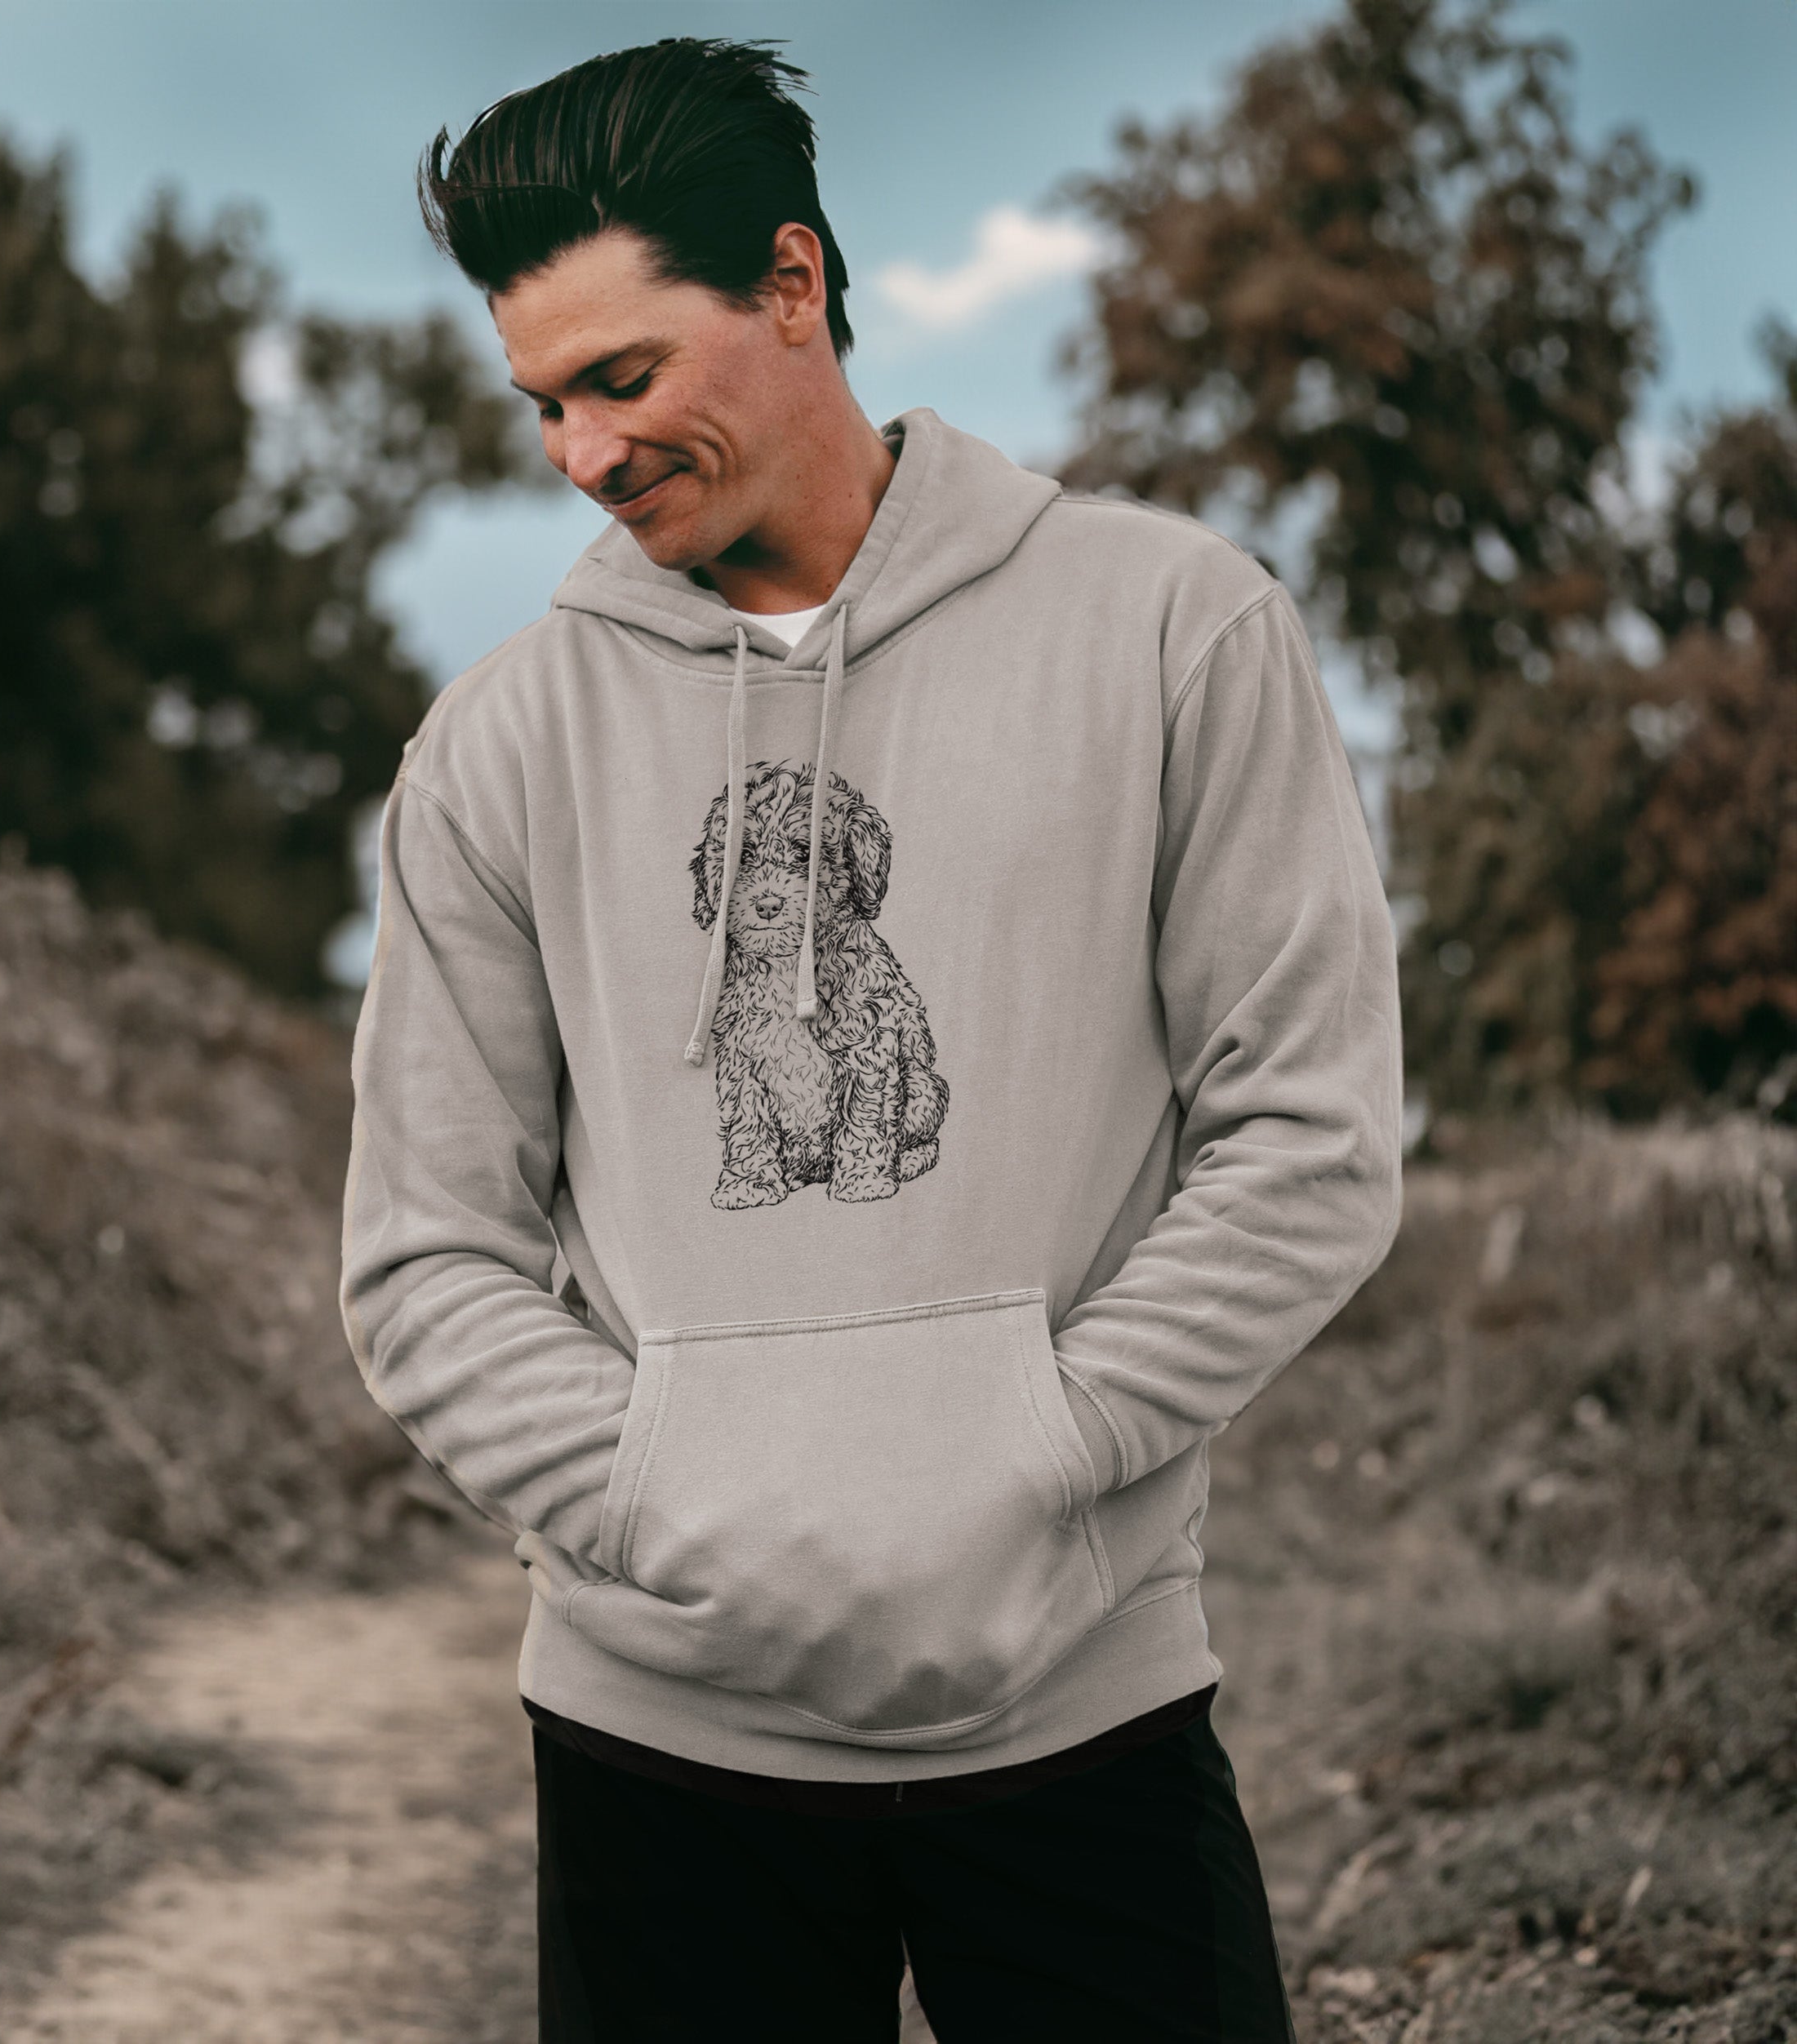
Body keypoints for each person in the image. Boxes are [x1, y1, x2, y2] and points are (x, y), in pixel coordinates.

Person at [339, 35, 1402, 2042]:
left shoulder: (1171, 631)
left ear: (793, 284)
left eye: (622, 376)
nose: (582, 454)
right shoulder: (495, 750)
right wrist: (673, 1504)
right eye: (544, 402)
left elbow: (1309, 1143)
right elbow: (426, 1258)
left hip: (1083, 1709)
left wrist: (1046, 1441)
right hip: (660, 1737)